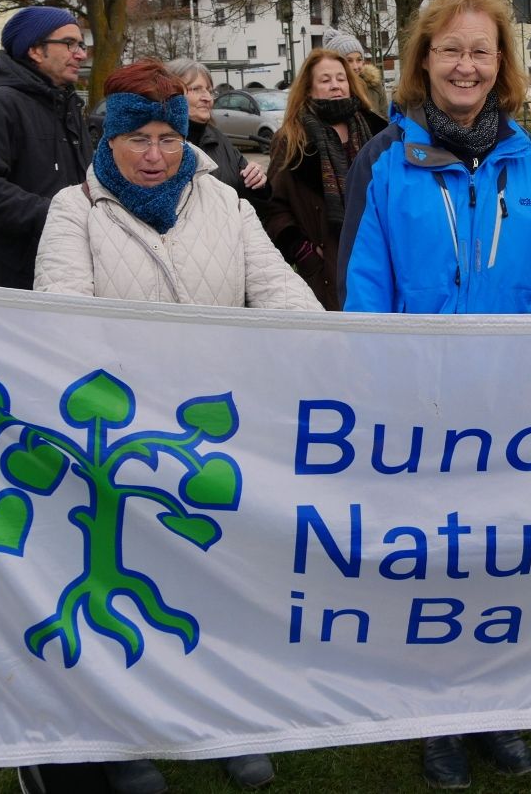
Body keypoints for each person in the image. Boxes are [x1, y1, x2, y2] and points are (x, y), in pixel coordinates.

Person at [34, 61, 318, 794]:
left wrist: (321, 340)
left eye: (167, 135)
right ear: (110, 137)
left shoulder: (223, 201)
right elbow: (63, 310)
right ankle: (127, 733)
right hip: (118, 435)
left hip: (213, 430)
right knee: (124, 583)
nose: (155, 153)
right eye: (138, 138)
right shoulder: (76, 208)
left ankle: (224, 720)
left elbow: (276, 284)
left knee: (215, 581)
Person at [337, 0, 531, 788]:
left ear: (501, 63)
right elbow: (362, 284)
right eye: (451, 50)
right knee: (433, 566)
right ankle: (438, 718)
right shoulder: (386, 159)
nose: (466, 65)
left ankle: (496, 706)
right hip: (420, 406)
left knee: (500, 561)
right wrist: (384, 388)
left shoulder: (530, 161)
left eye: (481, 51)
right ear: (424, 60)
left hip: (509, 407)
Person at [0, 6, 93, 289]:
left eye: (80, 44)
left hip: (71, 263)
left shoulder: (68, 104)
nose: (81, 54)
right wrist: (56, 214)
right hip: (20, 275)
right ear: (35, 50)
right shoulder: (0, 105)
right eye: (69, 43)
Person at [261, 48, 387, 310]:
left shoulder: (377, 132)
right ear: (309, 89)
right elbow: (273, 205)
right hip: (325, 269)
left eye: (341, 78)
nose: (335, 86)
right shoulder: (292, 139)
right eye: (325, 80)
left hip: (374, 255)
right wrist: (302, 252)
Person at [163, 58, 270, 219]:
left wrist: (259, 184)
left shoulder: (220, 141)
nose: (207, 98)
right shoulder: (158, 146)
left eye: (209, 90)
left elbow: (251, 207)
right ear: (170, 93)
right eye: (196, 89)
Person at [322, 26, 390, 116]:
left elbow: (386, 120)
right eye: (349, 61)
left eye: (359, 60)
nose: (356, 66)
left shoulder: (374, 85)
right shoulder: (329, 91)